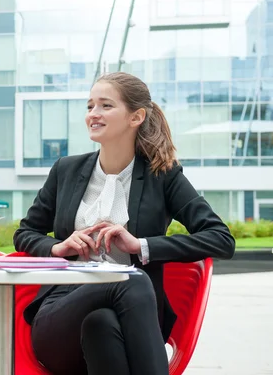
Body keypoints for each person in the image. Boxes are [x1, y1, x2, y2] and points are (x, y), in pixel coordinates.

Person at [14, 72, 235, 375]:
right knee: (130, 279)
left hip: (125, 326)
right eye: (90, 106)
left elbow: (220, 238)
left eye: (105, 106)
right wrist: (57, 246)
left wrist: (140, 246)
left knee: (101, 323)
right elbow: (24, 232)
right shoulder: (65, 170)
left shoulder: (163, 175)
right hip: (61, 315)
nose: (93, 114)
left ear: (136, 117)